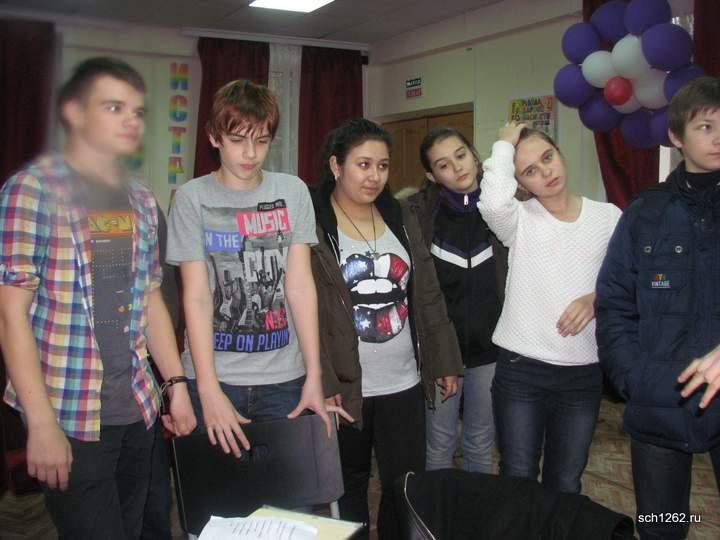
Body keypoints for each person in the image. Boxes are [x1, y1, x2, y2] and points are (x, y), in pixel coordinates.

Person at [0, 56, 196, 540]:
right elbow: (10, 315)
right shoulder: (32, 191)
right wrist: (40, 423)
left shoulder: (140, 200)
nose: (130, 120)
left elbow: (150, 298)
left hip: (137, 409)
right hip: (70, 414)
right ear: (74, 112)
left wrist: (176, 385)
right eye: (113, 107)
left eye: (137, 111)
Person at [166, 79, 348, 461]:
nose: (250, 154)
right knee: (220, 493)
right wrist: (208, 390)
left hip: (284, 378)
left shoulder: (293, 191)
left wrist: (314, 375)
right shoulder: (191, 198)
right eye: (238, 140)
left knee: (289, 492)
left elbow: (300, 287)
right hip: (214, 378)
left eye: (262, 141)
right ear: (214, 137)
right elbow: (196, 297)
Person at [310, 118, 463, 539]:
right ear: (336, 166)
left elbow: (427, 293)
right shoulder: (315, 226)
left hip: (403, 382)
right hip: (346, 387)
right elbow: (308, 312)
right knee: (348, 485)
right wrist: (322, 380)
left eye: (382, 165)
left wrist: (444, 360)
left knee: (404, 485)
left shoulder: (400, 216)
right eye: (363, 164)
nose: (374, 176)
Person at [596, 75, 720, 540]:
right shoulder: (645, 213)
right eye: (706, 126)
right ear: (676, 136)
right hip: (659, 398)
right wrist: (633, 377)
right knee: (661, 526)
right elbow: (615, 302)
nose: (719, 138)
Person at [477, 122, 621, 494]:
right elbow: (491, 202)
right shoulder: (518, 220)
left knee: (566, 481)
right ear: (521, 184)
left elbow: (629, 283)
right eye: (530, 170)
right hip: (521, 369)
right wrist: (504, 145)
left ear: (560, 154)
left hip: (582, 372)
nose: (546, 171)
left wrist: (596, 299)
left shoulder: (608, 217)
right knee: (518, 474)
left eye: (547, 157)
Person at [409, 126, 507, 473]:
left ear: (474, 155)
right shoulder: (418, 217)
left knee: (480, 442)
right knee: (438, 444)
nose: (457, 168)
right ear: (432, 176)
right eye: (443, 165)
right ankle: (438, 508)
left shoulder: (504, 208)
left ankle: (473, 507)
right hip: (441, 353)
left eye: (461, 155)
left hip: (491, 351)